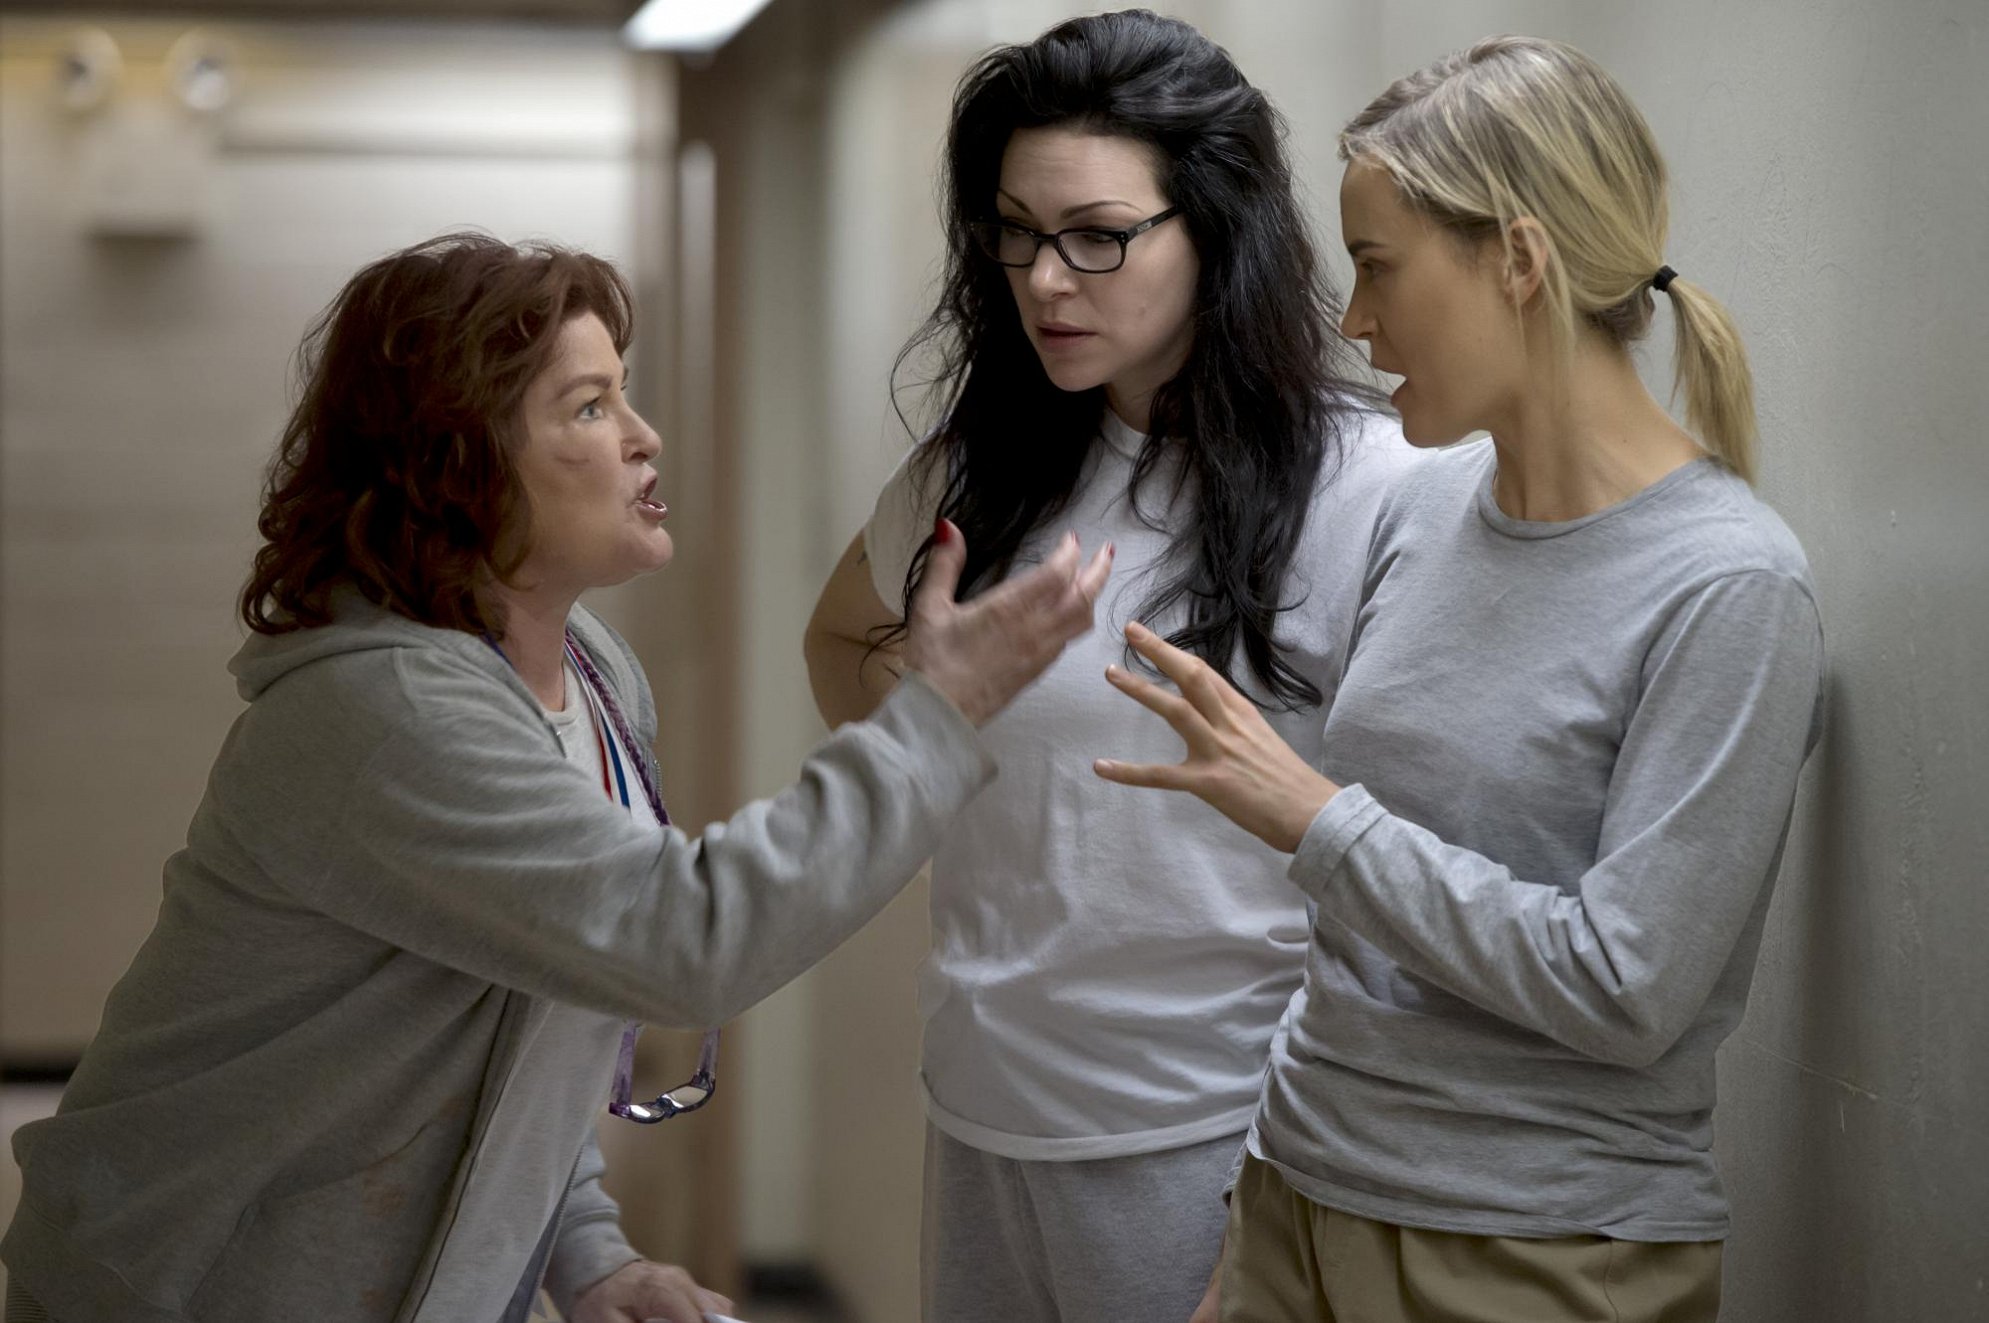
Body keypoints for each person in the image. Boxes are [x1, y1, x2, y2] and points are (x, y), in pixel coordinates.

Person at [0, 232, 1111, 1323]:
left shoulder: (595, 673)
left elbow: (536, 998)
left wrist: (587, 1255)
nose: (644, 436)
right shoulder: (390, 711)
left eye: (623, 395)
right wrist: (935, 720)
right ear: (457, 460)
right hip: (184, 1287)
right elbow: (684, 943)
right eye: (589, 408)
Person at [1093, 35, 1825, 1323]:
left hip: (1538, 1248)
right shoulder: (1423, 508)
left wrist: (1321, 822)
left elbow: (1628, 989)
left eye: (1378, 265)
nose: (1355, 321)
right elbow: (1360, 945)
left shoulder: (1731, 587)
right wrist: (1258, 1229)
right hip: (1298, 1195)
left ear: (1520, 261)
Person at [803, 11, 1412, 1320]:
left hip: (1219, 1137)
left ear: (1218, 231)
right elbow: (836, 636)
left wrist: (1289, 1197)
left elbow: (1414, 865)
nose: (1044, 279)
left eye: (1096, 235)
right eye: (1016, 232)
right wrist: (936, 766)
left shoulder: (1372, 486)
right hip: (980, 1105)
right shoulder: (980, 473)